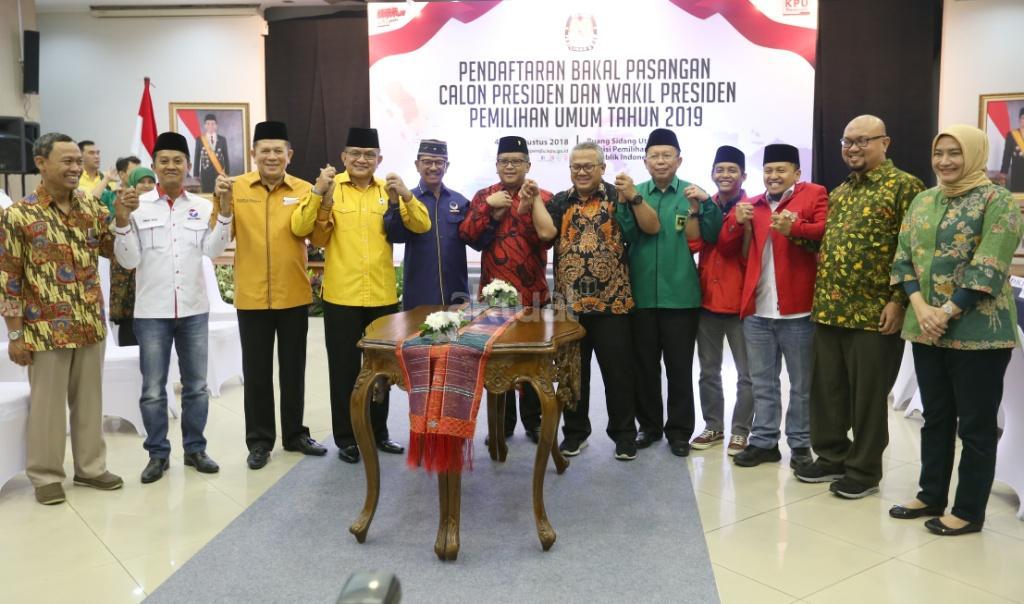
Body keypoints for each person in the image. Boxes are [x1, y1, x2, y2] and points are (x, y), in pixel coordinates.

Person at [888, 125, 1023, 536]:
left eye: (955, 153)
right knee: (936, 417)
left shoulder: (997, 200)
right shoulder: (924, 200)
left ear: (975, 155)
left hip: (980, 331)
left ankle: (967, 511)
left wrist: (946, 311)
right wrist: (920, 306)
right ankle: (930, 494)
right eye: (939, 152)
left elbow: (989, 265)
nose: (944, 161)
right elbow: (903, 258)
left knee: (976, 425)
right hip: (926, 328)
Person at [799, 116, 925, 498]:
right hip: (830, 309)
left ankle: (864, 470)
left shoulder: (905, 186)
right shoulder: (839, 192)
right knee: (827, 391)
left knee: (868, 398)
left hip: (874, 314)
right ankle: (831, 456)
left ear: (884, 143)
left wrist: (898, 302)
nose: (852, 148)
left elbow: (913, 250)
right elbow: (830, 243)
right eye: (847, 142)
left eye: (862, 141)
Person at [0, 132, 123, 505]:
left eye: (78, 162)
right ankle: (46, 475)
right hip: (44, 329)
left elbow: (115, 252)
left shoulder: (91, 208)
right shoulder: (18, 215)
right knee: (48, 408)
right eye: (67, 161)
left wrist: (122, 219)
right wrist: (15, 336)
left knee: (90, 403)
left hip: (90, 323)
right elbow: (9, 279)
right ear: (41, 163)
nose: (75, 168)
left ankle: (90, 468)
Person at [302, 127, 430, 464]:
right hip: (341, 297)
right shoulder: (332, 188)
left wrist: (406, 195)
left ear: (379, 159)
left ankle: (378, 432)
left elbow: (422, 225)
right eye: (355, 154)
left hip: (381, 296)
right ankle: (346, 437)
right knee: (343, 371)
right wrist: (319, 195)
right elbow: (311, 234)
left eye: (369, 155)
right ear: (344, 157)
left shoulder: (387, 191)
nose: (362, 160)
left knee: (382, 370)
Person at [113, 131, 233, 484]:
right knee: (153, 389)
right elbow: (128, 260)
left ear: (187, 166)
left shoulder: (202, 206)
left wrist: (225, 213)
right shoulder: (137, 207)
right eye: (164, 160)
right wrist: (122, 220)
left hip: (194, 309)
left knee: (195, 386)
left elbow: (212, 251)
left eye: (177, 160)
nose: (170, 166)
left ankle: (195, 450)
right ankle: (157, 454)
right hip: (152, 313)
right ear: (154, 166)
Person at [533, 141, 659, 461]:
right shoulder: (560, 201)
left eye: (589, 166)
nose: (582, 171)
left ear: (602, 168)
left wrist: (635, 196)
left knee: (619, 374)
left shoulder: (618, 196)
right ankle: (575, 433)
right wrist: (532, 199)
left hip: (612, 303)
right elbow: (546, 235)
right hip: (570, 306)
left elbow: (649, 228)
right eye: (576, 166)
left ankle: (624, 435)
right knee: (572, 373)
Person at [721, 143, 828, 469]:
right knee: (762, 383)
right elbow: (726, 246)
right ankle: (765, 442)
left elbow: (825, 231)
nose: (774, 176)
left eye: (781, 170)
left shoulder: (814, 194)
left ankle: (800, 444)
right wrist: (735, 221)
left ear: (797, 172)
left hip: (799, 311)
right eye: (768, 170)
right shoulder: (752, 205)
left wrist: (794, 227)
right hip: (758, 311)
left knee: (801, 385)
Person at [228, 120, 326, 470]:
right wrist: (221, 204)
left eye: (278, 151)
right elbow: (220, 233)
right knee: (256, 372)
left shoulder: (304, 189)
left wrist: (323, 200)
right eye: (265, 150)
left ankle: (295, 434)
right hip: (251, 295)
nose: (271, 156)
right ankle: (259, 441)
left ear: (289, 155)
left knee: (293, 370)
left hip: (293, 293)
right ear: (253, 154)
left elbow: (318, 237)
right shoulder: (236, 188)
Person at [624, 128, 723, 457]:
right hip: (641, 295)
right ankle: (649, 427)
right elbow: (625, 234)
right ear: (645, 161)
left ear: (679, 160)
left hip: (681, 297)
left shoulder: (693, 193)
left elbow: (712, 235)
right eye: (655, 156)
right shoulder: (635, 193)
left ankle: (679, 431)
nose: (661, 161)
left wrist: (704, 205)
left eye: (667, 155)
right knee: (644, 367)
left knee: (679, 368)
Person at [458, 135, 553, 443]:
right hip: (494, 296)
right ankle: (501, 424)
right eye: (504, 162)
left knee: (533, 360)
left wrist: (529, 204)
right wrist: (487, 208)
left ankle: (533, 422)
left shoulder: (543, 196)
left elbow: (546, 239)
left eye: (516, 162)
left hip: (532, 293)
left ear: (528, 165)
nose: (510, 166)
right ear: (497, 165)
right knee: (496, 362)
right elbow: (468, 236)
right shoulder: (484, 195)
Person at [692, 145, 755, 455]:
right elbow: (694, 242)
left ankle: (741, 431)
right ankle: (713, 426)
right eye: (720, 170)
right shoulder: (705, 205)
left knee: (747, 375)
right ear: (712, 174)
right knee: (708, 371)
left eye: (732, 170)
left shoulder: (752, 208)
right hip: (707, 301)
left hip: (742, 304)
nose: (725, 175)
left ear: (744, 175)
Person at [384, 139, 470, 309]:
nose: (433, 167)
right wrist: (394, 202)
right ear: (417, 165)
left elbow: (476, 238)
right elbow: (396, 236)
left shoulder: (460, 201)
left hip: (456, 292)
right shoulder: (407, 198)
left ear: (447, 166)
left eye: (439, 162)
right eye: (427, 162)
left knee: (458, 328)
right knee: (418, 328)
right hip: (419, 292)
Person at [107, 165, 155, 347]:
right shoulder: (123, 204)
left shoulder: (160, 208)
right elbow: (113, 233)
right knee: (130, 320)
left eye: (151, 181)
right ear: (133, 184)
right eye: (142, 182)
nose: (147, 185)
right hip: (127, 276)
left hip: (151, 273)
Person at [193, 113, 230, 194]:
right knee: (206, 193)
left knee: (219, 194)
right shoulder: (200, 139)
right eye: (208, 124)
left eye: (213, 124)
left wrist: (227, 172)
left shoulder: (222, 139)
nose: (210, 126)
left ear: (216, 126)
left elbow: (226, 157)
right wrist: (196, 174)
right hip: (205, 173)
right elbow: (197, 158)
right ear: (205, 126)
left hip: (219, 173)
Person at [999, 107, 1024, 193]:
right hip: (1017, 171)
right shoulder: (1012, 135)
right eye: (1023, 118)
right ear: (1019, 119)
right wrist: (1003, 173)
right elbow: (1007, 155)